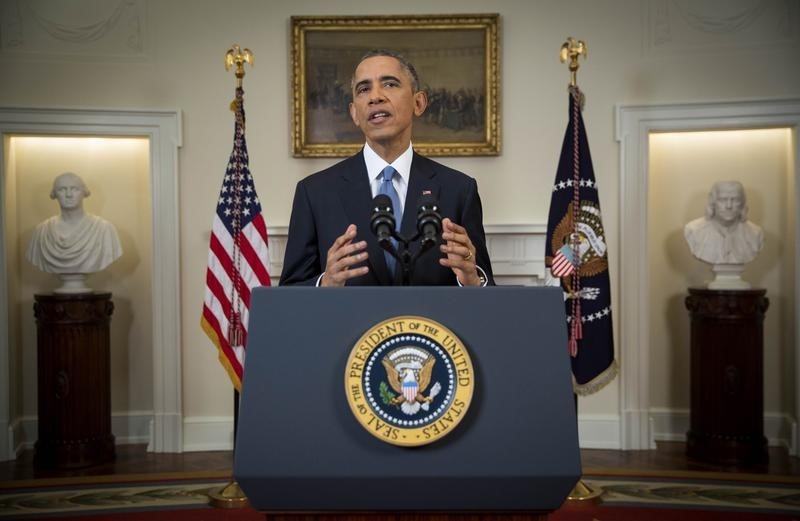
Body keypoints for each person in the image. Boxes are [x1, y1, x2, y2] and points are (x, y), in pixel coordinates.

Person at [280, 49, 493, 287]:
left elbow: (485, 294)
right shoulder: (314, 192)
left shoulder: (459, 190)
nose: (375, 97)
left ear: (419, 102)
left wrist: (472, 279)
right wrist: (325, 282)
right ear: (354, 113)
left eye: (389, 84)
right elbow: (290, 292)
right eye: (363, 89)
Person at [26, 172, 123, 277]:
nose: (68, 195)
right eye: (62, 189)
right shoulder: (41, 231)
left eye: (74, 189)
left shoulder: (105, 229)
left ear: (84, 192)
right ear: (54, 194)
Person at [683, 180, 764, 265]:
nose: (729, 206)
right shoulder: (693, 230)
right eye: (722, 200)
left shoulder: (756, 233)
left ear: (742, 203)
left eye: (735, 199)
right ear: (712, 202)